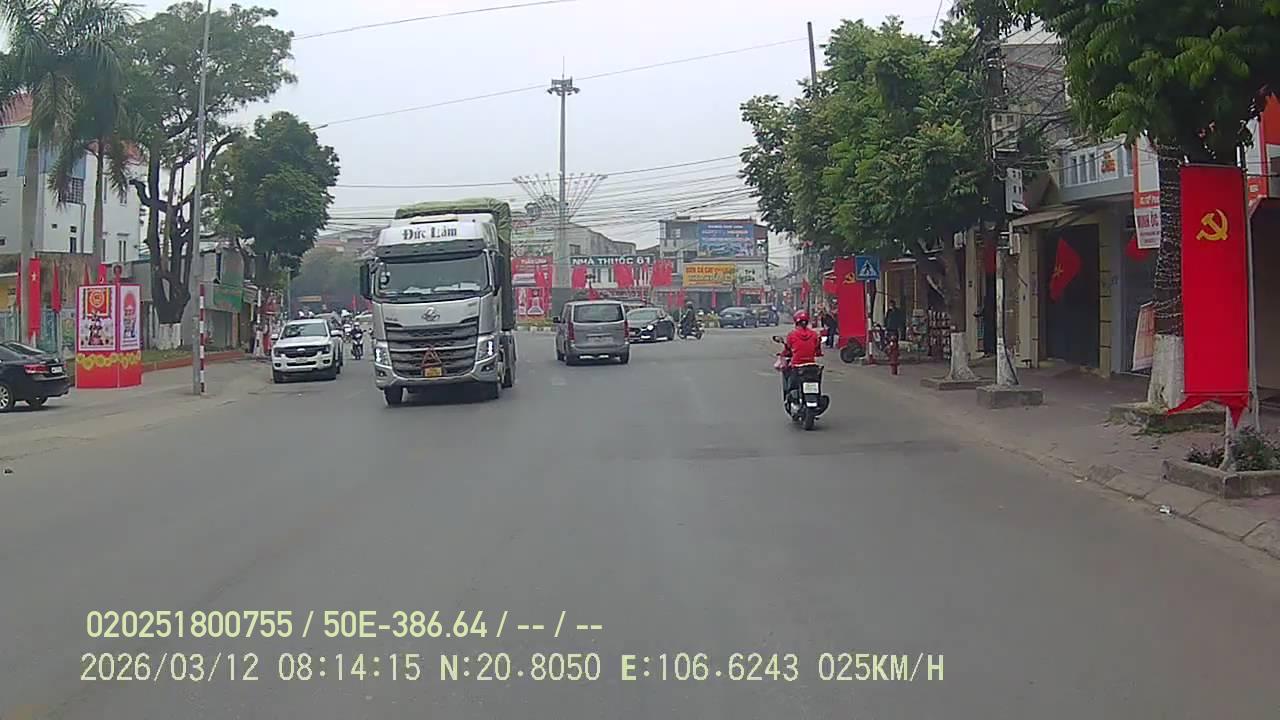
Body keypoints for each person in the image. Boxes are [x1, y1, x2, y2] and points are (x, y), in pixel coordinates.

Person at [781, 310, 823, 401]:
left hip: (797, 366)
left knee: (787, 374)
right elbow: (818, 350)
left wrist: (785, 353)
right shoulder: (814, 334)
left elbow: (788, 349)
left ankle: (789, 397)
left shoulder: (792, 335)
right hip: (812, 366)